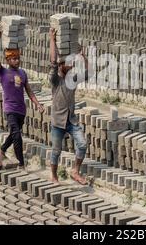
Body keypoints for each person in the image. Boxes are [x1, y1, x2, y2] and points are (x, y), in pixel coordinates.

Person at [0, 25, 44, 170]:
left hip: (21, 110)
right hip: (10, 109)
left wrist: (37, 104)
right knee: (17, 136)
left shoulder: (23, 73)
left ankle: (1, 150)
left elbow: (29, 91)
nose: (16, 61)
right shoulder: (2, 72)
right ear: (8, 60)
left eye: (18, 58)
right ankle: (21, 163)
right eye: (13, 59)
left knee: (14, 134)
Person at [48, 27, 89, 185]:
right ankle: (54, 176)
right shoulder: (55, 80)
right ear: (60, 66)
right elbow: (52, 62)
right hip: (58, 121)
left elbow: (88, 72)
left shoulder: (73, 79)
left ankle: (75, 171)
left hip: (71, 121)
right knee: (56, 151)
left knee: (82, 144)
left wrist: (83, 56)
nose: (70, 66)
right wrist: (52, 39)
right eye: (67, 64)